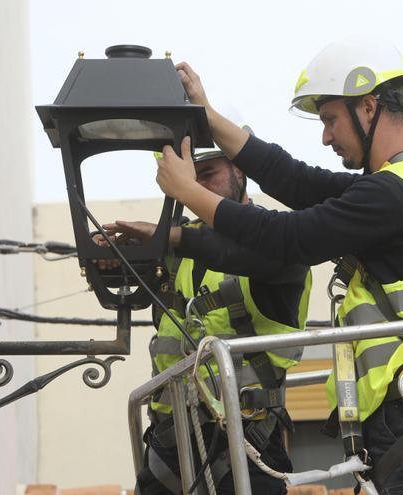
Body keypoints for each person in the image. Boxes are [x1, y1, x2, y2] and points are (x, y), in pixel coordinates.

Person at [154, 37, 403, 494]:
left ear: (369, 107)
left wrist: (190, 193)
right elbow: (295, 180)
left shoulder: (390, 195)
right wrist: (209, 117)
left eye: (331, 119)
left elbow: (290, 239)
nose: (326, 136)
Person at [97, 141, 312, 494]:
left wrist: (174, 238)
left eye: (207, 174)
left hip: (247, 444)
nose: (194, 188)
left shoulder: (277, 244)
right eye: (186, 179)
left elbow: (253, 252)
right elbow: (128, 274)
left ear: (239, 169)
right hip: (170, 445)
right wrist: (108, 256)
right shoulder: (173, 254)